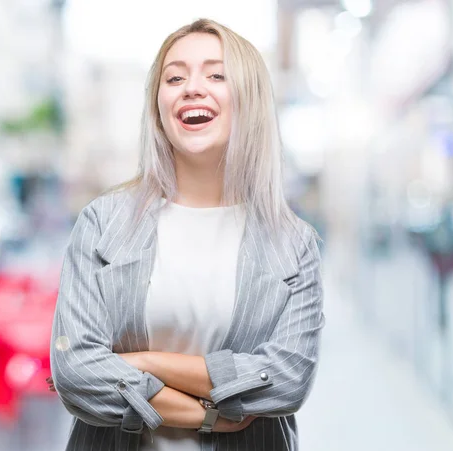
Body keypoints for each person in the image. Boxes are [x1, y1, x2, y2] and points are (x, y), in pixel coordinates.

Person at [48, 18, 325, 451]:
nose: (192, 88)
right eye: (174, 77)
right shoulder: (103, 224)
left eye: (217, 74)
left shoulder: (294, 243)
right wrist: (209, 415)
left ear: (249, 98)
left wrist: (142, 363)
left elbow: (287, 383)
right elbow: (77, 372)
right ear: (158, 104)